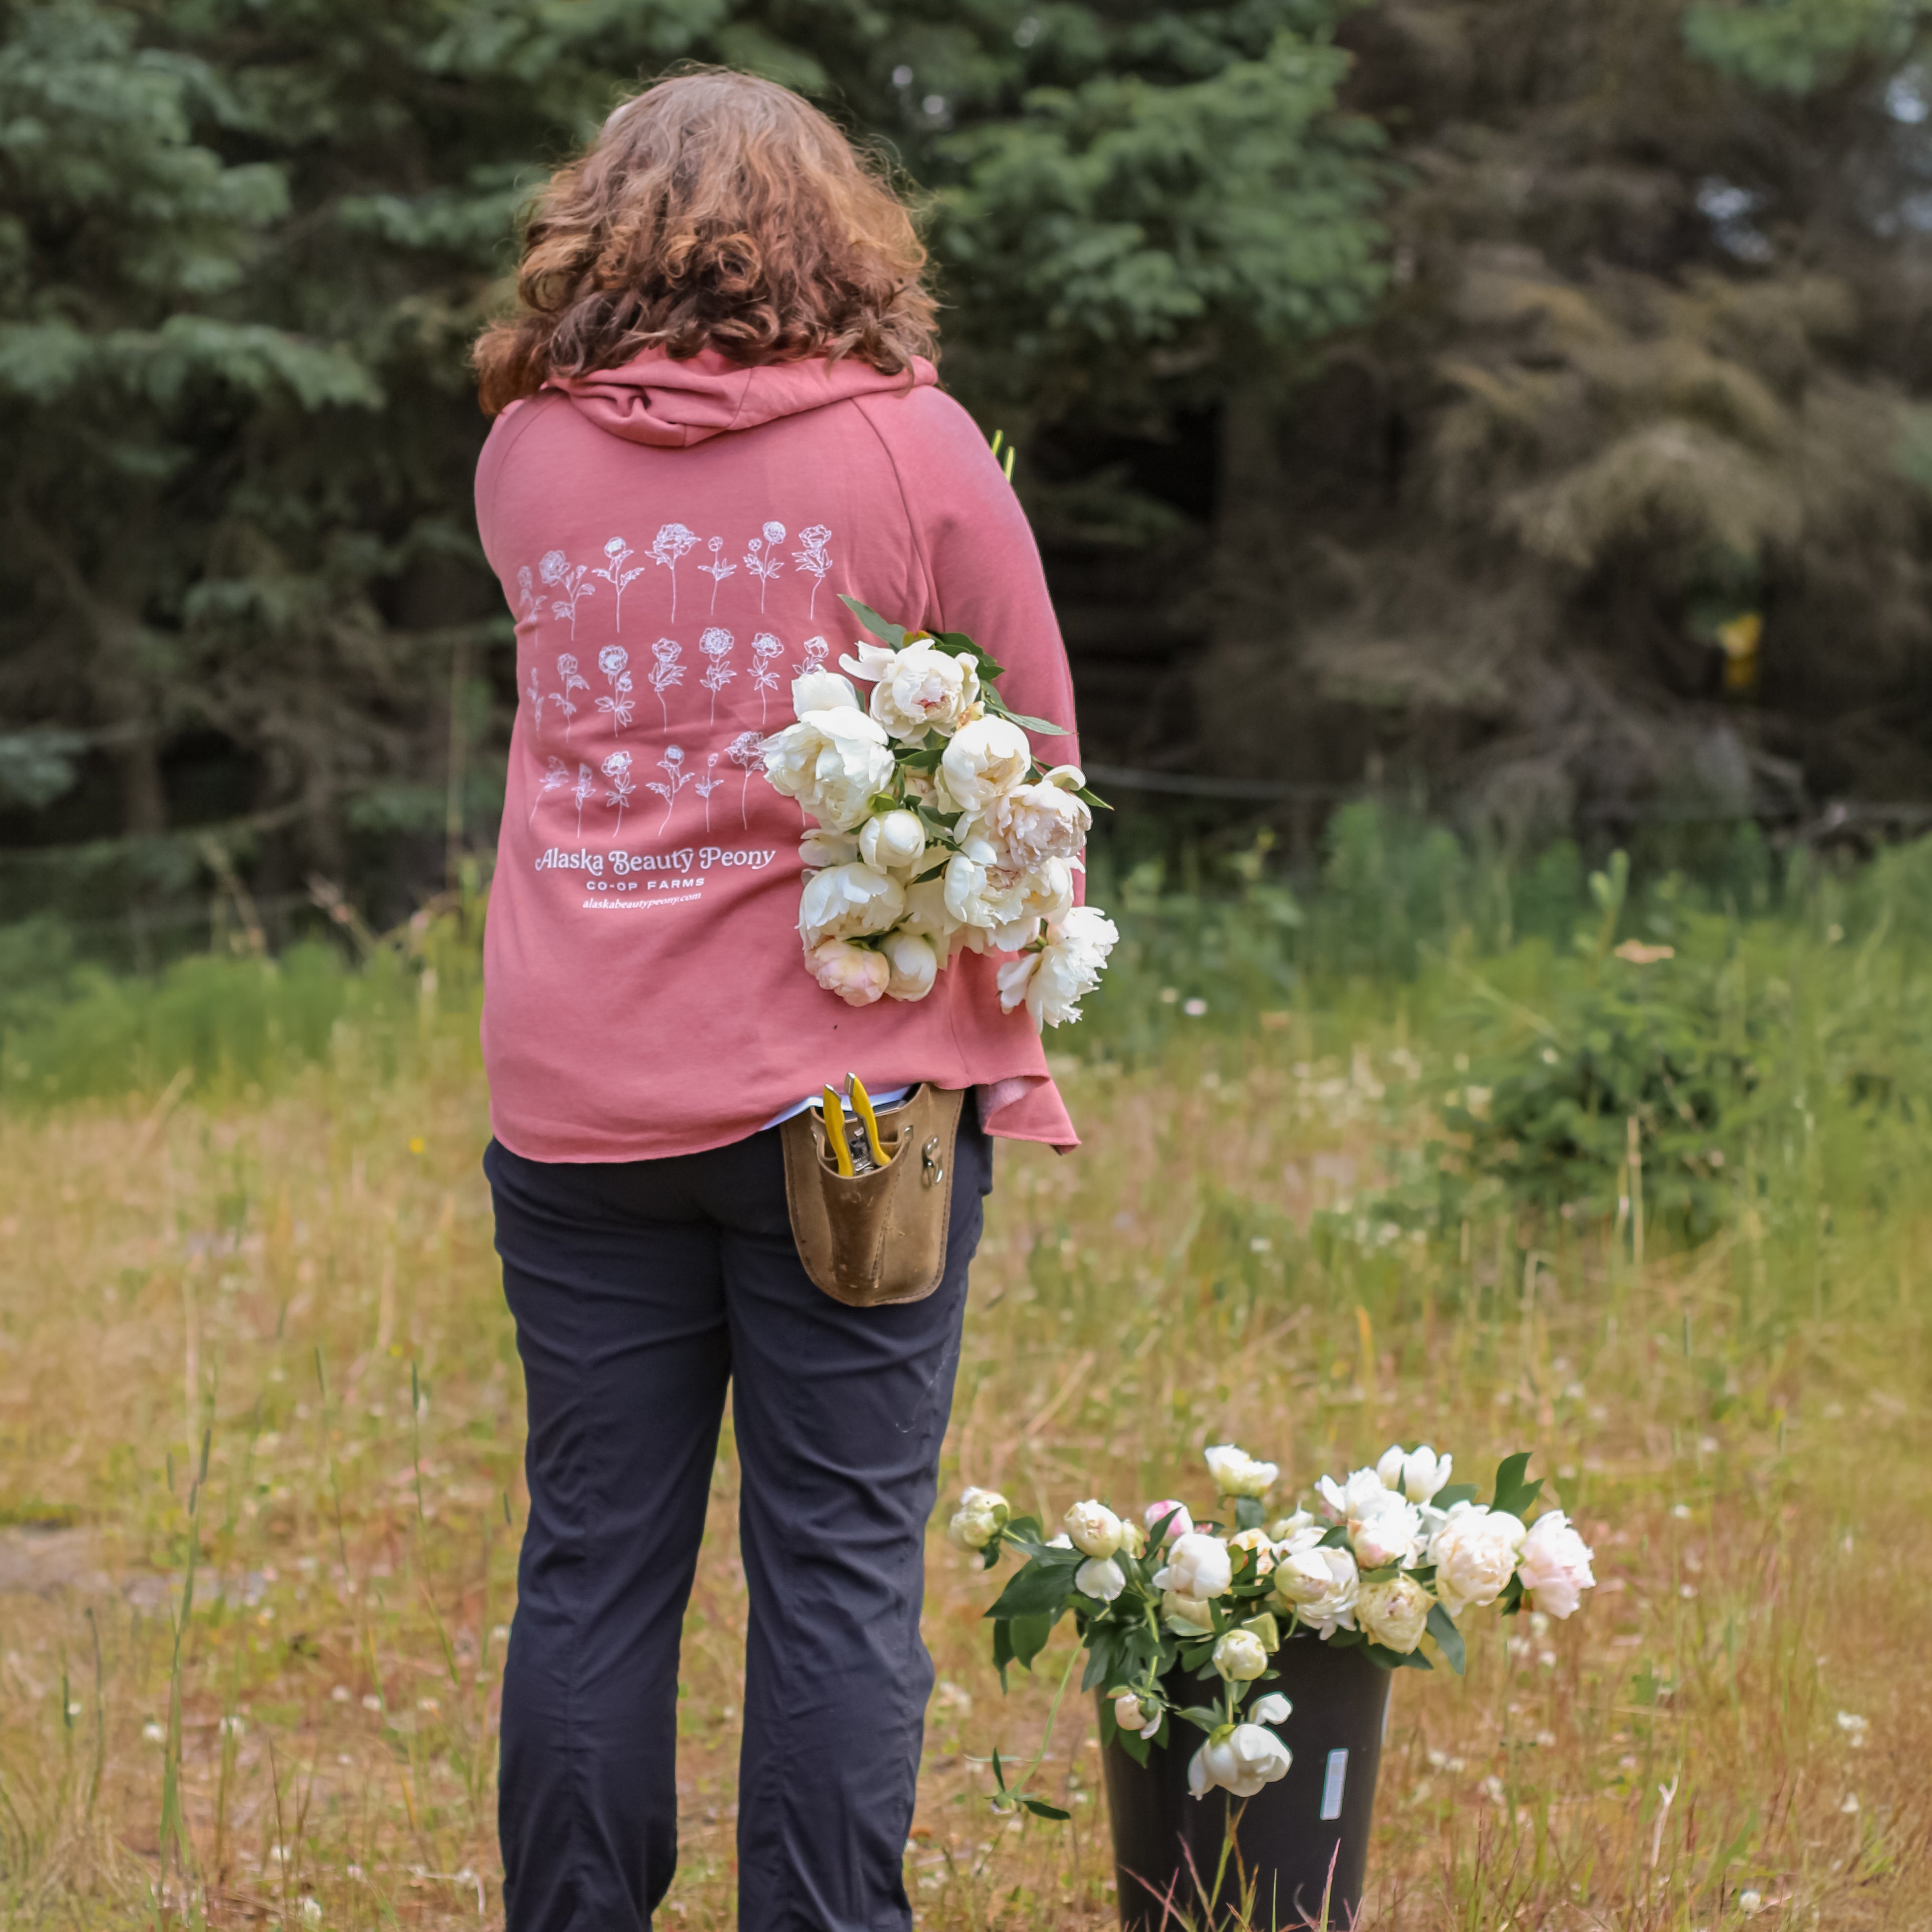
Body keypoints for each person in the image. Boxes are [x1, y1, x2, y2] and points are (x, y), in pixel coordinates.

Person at [469, 69, 1081, 1932]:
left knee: (592, 1562)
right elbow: (1038, 754)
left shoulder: (525, 456)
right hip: (841, 1105)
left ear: (597, 234)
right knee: (833, 1567)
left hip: (578, 1105)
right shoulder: (915, 448)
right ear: (839, 232)